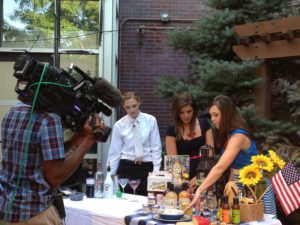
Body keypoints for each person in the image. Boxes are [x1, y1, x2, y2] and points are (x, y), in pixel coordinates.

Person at [0, 102, 104, 225]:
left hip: (5, 209)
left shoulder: (12, 112)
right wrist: (89, 140)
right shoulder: (49, 119)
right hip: (36, 214)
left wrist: (74, 141)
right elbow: (55, 177)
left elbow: (42, 155)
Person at [185, 95, 277, 217]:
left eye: (216, 115)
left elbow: (220, 167)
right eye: (211, 115)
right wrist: (229, 190)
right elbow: (232, 169)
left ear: (227, 114)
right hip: (239, 186)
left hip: (257, 188)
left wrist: (199, 191)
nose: (212, 119)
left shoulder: (238, 136)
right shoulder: (228, 135)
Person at [107, 91, 162, 196]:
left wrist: (156, 172)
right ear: (123, 107)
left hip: (146, 167)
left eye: (134, 106)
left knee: (146, 202)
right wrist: (110, 176)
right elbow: (114, 152)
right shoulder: (119, 125)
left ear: (139, 102)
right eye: (128, 107)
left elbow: (156, 148)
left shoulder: (151, 120)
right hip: (126, 167)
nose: (132, 110)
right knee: (125, 202)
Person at [165, 92, 214, 184]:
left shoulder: (204, 124)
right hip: (181, 178)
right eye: (181, 112)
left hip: (205, 175)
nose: (186, 116)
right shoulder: (172, 130)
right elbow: (173, 163)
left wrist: (199, 178)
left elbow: (210, 157)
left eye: (189, 111)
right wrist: (184, 184)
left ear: (194, 110)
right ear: (176, 113)